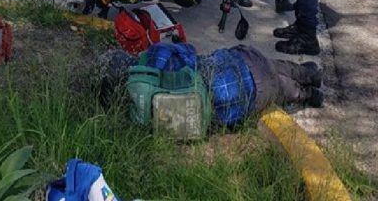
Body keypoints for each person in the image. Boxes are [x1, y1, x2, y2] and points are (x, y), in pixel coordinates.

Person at [96, 43, 324, 128]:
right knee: (264, 64)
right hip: (238, 67)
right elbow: (189, 51)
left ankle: (305, 93)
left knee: (275, 88)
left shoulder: (139, 118)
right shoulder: (154, 56)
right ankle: (308, 74)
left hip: (243, 103)